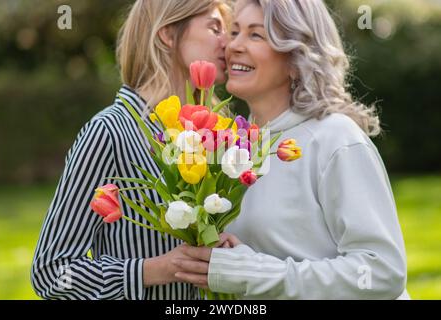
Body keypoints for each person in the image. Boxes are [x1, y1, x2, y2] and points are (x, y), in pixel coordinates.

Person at [173, 0, 410, 299]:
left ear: (296, 57)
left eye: (255, 35)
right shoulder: (232, 145)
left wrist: (251, 272)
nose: (233, 46)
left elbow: (382, 271)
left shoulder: (335, 138)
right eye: (234, 32)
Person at [31, 0, 230, 300]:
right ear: (167, 33)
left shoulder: (205, 134)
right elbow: (52, 273)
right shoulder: (109, 132)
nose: (228, 42)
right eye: (215, 27)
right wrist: (158, 269)